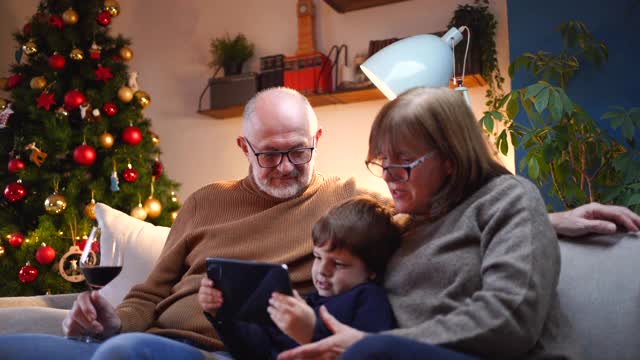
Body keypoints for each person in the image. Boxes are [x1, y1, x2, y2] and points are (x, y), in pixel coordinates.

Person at [0, 87, 637, 359]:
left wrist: (548, 215)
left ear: (316, 142)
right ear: (244, 149)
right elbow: (147, 294)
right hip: (149, 335)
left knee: (126, 353)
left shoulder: (350, 204)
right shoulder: (202, 203)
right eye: (269, 152)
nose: (285, 164)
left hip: (237, 349)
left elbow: (467, 214)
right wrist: (112, 314)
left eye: (297, 151)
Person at [278, 87, 585, 360]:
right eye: (383, 160)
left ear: (450, 160)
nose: (387, 174)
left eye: (403, 162)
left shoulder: (507, 198)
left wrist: (376, 344)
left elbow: (510, 319)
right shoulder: (399, 225)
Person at [198, 195, 400, 359]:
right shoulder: (309, 301)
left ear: (372, 270)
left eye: (338, 264)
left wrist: (312, 330)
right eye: (318, 257)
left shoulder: (369, 299)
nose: (322, 270)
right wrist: (222, 315)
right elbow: (256, 350)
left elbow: (370, 354)